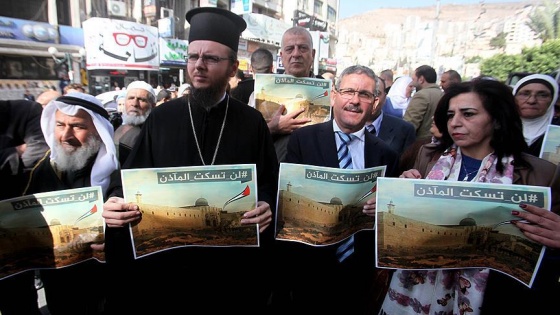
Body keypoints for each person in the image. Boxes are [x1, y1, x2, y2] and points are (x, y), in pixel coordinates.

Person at [102, 7, 279, 314]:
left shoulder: (252, 122)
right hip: (170, 272)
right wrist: (115, 201)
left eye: (211, 58)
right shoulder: (161, 118)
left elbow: (270, 182)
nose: (198, 66)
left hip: (232, 273)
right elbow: (129, 180)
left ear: (233, 68)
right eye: (193, 56)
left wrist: (266, 205)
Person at [379, 79, 560, 314]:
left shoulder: (542, 173)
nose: (455, 123)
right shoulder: (428, 156)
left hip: (495, 294)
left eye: (468, 114)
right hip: (416, 290)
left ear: (496, 119)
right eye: (451, 114)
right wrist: (401, 193)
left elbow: (546, 255)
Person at [274, 65, 399, 314]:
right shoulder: (303, 139)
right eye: (348, 91)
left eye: (364, 94)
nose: (354, 100)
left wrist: (383, 209)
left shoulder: (386, 154)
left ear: (375, 103)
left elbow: (389, 220)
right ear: (334, 95)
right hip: (310, 268)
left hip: (359, 271)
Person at [23, 92, 119, 315]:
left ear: (98, 129)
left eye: (77, 126)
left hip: (108, 279)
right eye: (59, 125)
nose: (66, 135)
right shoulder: (42, 169)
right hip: (60, 280)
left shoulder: (122, 164)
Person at [0, 99, 49, 315]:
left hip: (16, 224)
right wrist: (13, 153)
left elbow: (37, 158)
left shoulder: (25, 110)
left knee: (18, 298)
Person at [270, 26, 324, 162]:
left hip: (314, 171)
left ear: (313, 54)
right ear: (281, 56)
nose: (296, 54)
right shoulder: (260, 91)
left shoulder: (327, 96)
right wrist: (272, 128)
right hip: (274, 172)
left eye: (302, 48)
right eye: (289, 49)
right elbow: (249, 137)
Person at [366, 76, 416, 157]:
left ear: (385, 97)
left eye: (377, 94)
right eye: (365, 94)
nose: (372, 99)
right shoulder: (343, 125)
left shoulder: (405, 130)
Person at [512, 74, 559, 157]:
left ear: (552, 99)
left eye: (542, 95)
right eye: (525, 94)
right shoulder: (497, 127)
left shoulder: (557, 131)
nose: (531, 100)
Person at [113, 81, 156, 166]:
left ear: (152, 105)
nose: (134, 104)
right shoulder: (118, 127)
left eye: (142, 100)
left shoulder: (154, 133)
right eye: (131, 98)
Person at [404, 65, 444, 139]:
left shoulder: (421, 95)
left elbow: (410, 124)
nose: (412, 83)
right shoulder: (442, 94)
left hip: (421, 142)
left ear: (421, 79)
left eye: (413, 79)